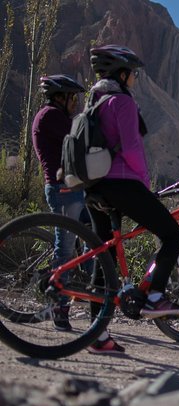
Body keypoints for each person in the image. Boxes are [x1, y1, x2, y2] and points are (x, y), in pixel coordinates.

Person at [85, 44, 179, 352]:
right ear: (122, 73)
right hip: (123, 184)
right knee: (172, 233)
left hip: (95, 187)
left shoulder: (95, 101)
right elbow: (131, 149)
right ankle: (156, 296)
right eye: (133, 74)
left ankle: (97, 336)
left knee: (102, 257)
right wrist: (144, 185)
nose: (135, 79)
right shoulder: (122, 102)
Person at [32, 74, 88, 332]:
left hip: (72, 189)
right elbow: (79, 139)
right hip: (63, 189)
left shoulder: (53, 116)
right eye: (72, 98)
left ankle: (93, 285)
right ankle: (59, 308)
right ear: (60, 97)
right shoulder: (51, 116)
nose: (75, 102)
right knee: (65, 249)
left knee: (93, 236)